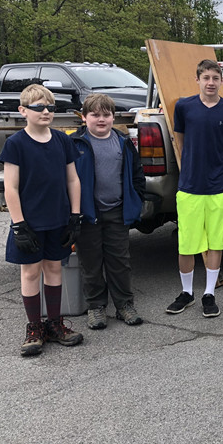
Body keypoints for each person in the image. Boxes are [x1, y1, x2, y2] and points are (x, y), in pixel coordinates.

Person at [1, 84, 83, 356]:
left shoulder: (62, 140)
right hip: (30, 223)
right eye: (39, 107)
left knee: (55, 269)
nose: (46, 111)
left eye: (50, 107)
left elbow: (73, 179)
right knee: (31, 272)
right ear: (23, 111)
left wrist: (74, 216)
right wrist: (18, 225)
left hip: (58, 219)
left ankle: (55, 324)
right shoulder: (16, 144)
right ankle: (35, 327)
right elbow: (10, 188)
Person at [165, 59, 223, 318]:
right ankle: (187, 293)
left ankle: (209, 293)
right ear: (197, 79)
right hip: (189, 188)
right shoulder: (184, 107)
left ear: (221, 81)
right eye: (206, 77)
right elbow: (181, 142)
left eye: (215, 78)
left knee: (216, 243)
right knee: (186, 244)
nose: (211, 82)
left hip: (218, 188)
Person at [72, 93, 145, 330]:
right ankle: (96, 307)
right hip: (87, 213)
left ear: (113, 117)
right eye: (95, 115)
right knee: (91, 263)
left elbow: (137, 175)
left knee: (119, 262)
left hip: (116, 211)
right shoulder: (75, 144)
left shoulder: (123, 143)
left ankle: (124, 305)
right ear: (84, 117)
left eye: (106, 115)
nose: (101, 119)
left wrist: (136, 200)